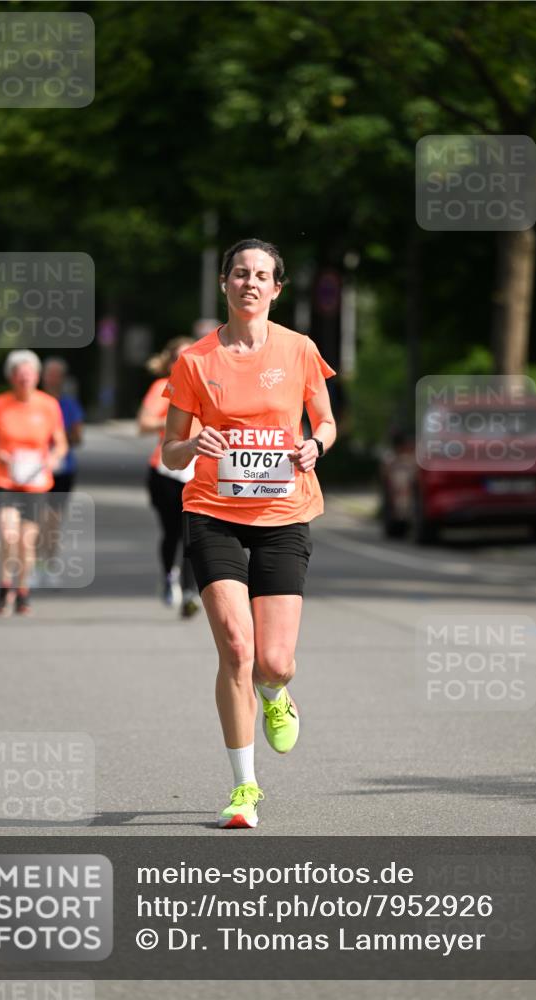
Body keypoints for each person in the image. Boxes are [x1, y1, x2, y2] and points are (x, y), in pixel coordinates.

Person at [162, 238, 336, 828]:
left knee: (275, 660)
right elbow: (168, 449)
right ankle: (244, 788)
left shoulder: (300, 349)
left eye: (262, 275)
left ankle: (276, 694)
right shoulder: (194, 360)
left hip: (284, 516)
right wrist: (194, 444)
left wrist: (315, 445)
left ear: (276, 288)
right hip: (212, 512)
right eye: (240, 273)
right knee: (237, 649)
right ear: (224, 284)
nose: (251, 283)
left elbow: (328, 422)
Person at [0, 350, 68, 616]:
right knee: (8, 534)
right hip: (5, 477)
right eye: (20, 376)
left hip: (36, 481)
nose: (25, 380)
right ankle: (4, 585)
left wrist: (52, 459)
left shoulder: (48, 405)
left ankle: (22, 590)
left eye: (29, 375)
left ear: (37, 377)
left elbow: (60, 443)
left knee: (27, 541)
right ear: (12, 378)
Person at [138, 338, 200, 617]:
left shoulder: (208, 385)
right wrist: (176, 422)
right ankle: (168, 576)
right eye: (178, 357)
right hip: (166, 470)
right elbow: (144, 423)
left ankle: (189, 592)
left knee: (192, 533)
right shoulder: (162, 387)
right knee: (172, 532)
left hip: (200, 470)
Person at [39, 357, 85, 587]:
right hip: (34, 470)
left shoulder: (69, 405)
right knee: (36, 520)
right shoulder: (34, 402)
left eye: (57, 374)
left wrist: (58, 437)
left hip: (62, 469)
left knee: (52, 521)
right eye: (49, 374)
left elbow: (78, 437)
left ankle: (50, 565)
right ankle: (36, 566)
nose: (53, 379)